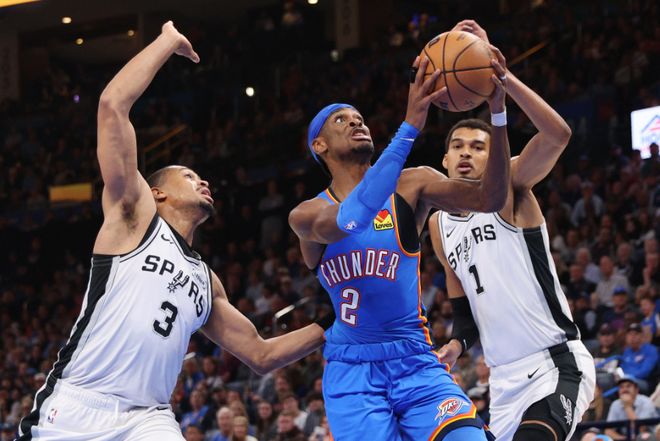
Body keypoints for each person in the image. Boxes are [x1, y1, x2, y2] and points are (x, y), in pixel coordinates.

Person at [18, 22, 326, 441]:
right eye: (189, 175)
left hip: (148, 418)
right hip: (77, 404)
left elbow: (261, 354)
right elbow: (112, 105)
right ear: (157, 192)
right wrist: (166, 42)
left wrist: (334, 322)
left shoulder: (206, 281)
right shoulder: (134, 217)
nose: (203, 181)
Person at [288, 46, 511, 440]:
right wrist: (409, 126)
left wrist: (498, 114)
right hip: (353, 371)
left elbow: (490, 199)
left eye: (359, 118)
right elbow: (353, 217)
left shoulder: (413, 183)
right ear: (319, 146)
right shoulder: (306, 214)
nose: (356, 122)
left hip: (415, 358)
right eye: (341, 120)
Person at [428, 20, 596, 441]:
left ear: (495, 158)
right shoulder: (438, 224)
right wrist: (456, 346)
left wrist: (501, 78)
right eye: (457, 146)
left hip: (555, 364)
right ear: (444, 160)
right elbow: (464, 312)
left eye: (478, 147)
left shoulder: (511, 187)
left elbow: (558, 135)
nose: (466, 153)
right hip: (501, 382)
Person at [605, 376, 658, 440]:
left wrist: (627, 406)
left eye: (628, 386)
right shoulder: (616, 404)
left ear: (636, 390)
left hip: (650, 437)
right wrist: (624, 439)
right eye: (621, 387)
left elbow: (640, 429)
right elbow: (608, 431)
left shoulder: (646, 402)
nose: (624, 389)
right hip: (626, 437)